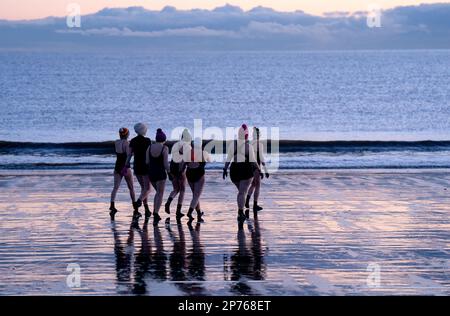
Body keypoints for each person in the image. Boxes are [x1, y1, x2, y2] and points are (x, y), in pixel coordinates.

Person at [223, 124, 260, 221]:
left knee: (241, 193)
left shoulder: (233, 145)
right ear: (247, 135)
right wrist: (259, 169)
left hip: (234, 171)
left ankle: (241, 211)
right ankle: (240, 212)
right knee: (242, 193)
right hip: (245, 171)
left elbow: (228, 159)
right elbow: (253, 161)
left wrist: (225, 169)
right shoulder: (248, 147)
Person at [109, 127, 136, 220]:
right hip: (125, 167)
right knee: (131, 188)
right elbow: (129, 154)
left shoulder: (116, 142)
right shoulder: (127, 143)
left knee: (115, 187)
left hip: (117, 166)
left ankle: (112, 205)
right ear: (127, 134)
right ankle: (135, 207)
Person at [126, 123, 151, 218]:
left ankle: (146, 209)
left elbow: (129, 154)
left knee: (143, 188)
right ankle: (139, 202)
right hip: (145, 166)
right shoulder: (147, 141)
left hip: (136, 166)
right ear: (143, 130)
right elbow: (150, 154)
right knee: (148, 188)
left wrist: (126, 164)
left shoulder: (133, 141)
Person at [165, 128, 192, 219]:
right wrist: (183, 170)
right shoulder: (187, 147)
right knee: (183, 190)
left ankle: (168, 202)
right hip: (180, 170)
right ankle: (178, 211)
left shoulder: (176, 145)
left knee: (176, 189)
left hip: (173, 168)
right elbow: (184, 160)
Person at [146, 128, 171, 225]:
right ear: (164, 139)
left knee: (158, 193)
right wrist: (170, 173)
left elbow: (147, 162)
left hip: (151, 173)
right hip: (160, 173)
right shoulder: (165, 148)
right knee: (160, 194)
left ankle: (155, 211)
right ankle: (155, 213)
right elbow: (165, 164)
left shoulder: (149, 147)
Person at [186, 137, 211, 223]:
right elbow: (210, 160)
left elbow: (183, 163)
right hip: (199, 173)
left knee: (195, 195)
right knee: (196, 196)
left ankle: (199, 213)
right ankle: (189, 212)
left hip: (189, 173)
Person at [246, 127, 270, 211]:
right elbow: (261, 158)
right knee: (258, 185)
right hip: (256, 167)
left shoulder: (249, 143)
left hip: (249, 167)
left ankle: (247, 200)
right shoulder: (259, 144)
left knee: (253, 184)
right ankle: (255, 205)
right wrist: (265, 170)